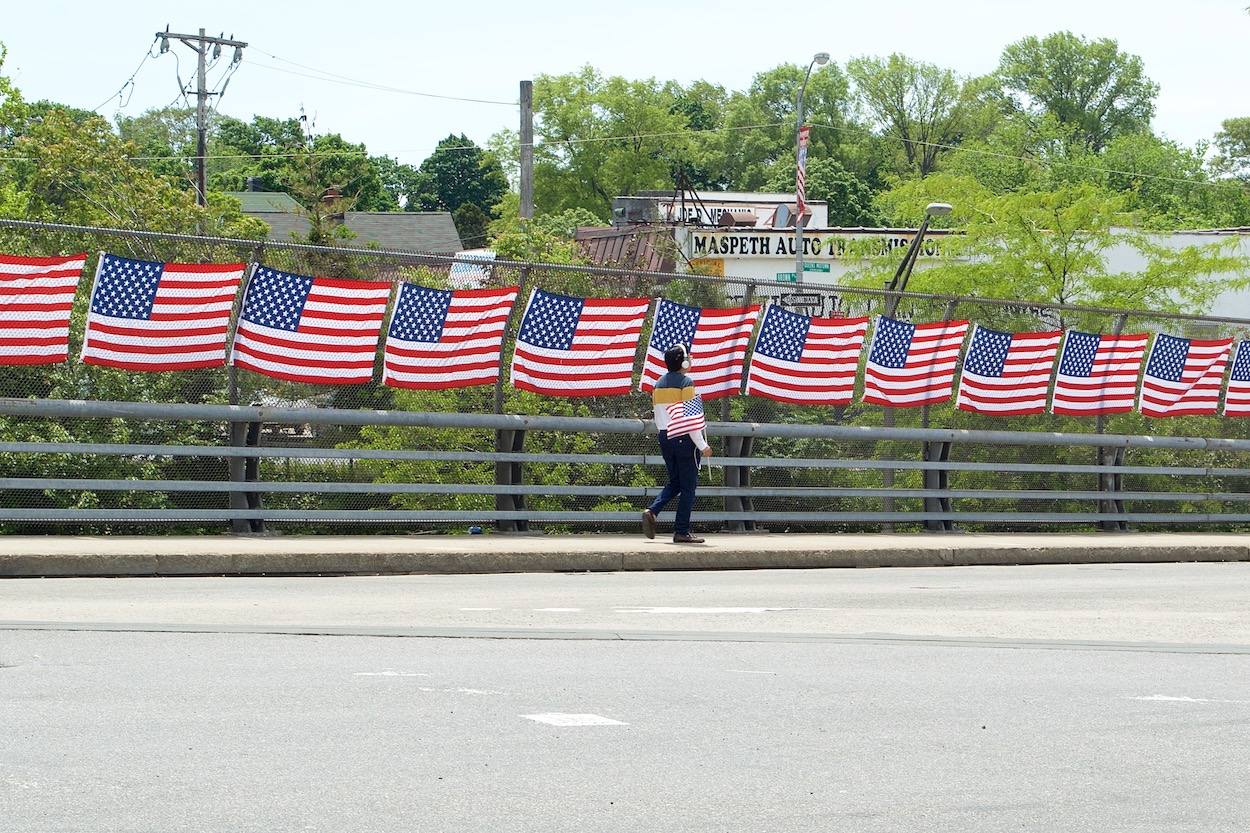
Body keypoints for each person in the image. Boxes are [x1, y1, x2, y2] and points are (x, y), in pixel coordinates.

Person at [642, 343, 711, 543]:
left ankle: (653, 511)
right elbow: (690, 418)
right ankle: (682, 530)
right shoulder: (686, 383)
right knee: (688, 486)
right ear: (684, 362)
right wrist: (702, 445)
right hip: (684, 438)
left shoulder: (658, 384)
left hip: (665, 436)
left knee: (676, 481)